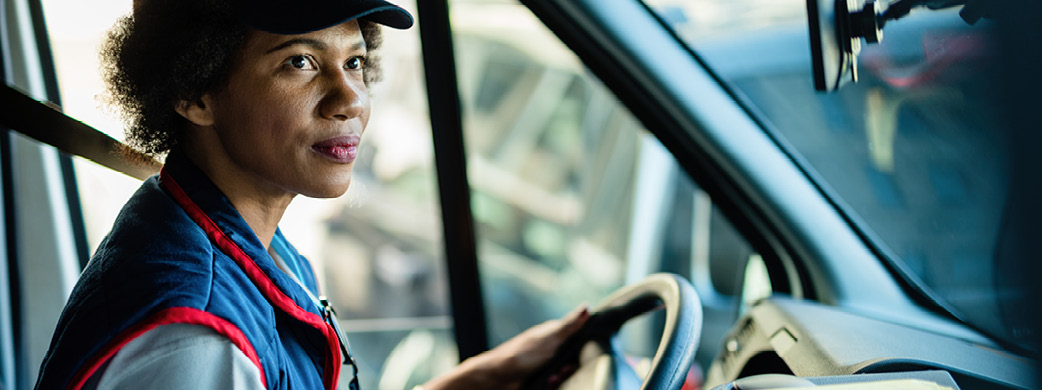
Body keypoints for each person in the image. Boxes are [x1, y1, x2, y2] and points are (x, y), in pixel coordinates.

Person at [33, 0, 589, 388]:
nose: (350, 99)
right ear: (193, 92)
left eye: (354, 62)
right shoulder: (200, 343)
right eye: (300, 62)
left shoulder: (241, 243)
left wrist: (475, 382)